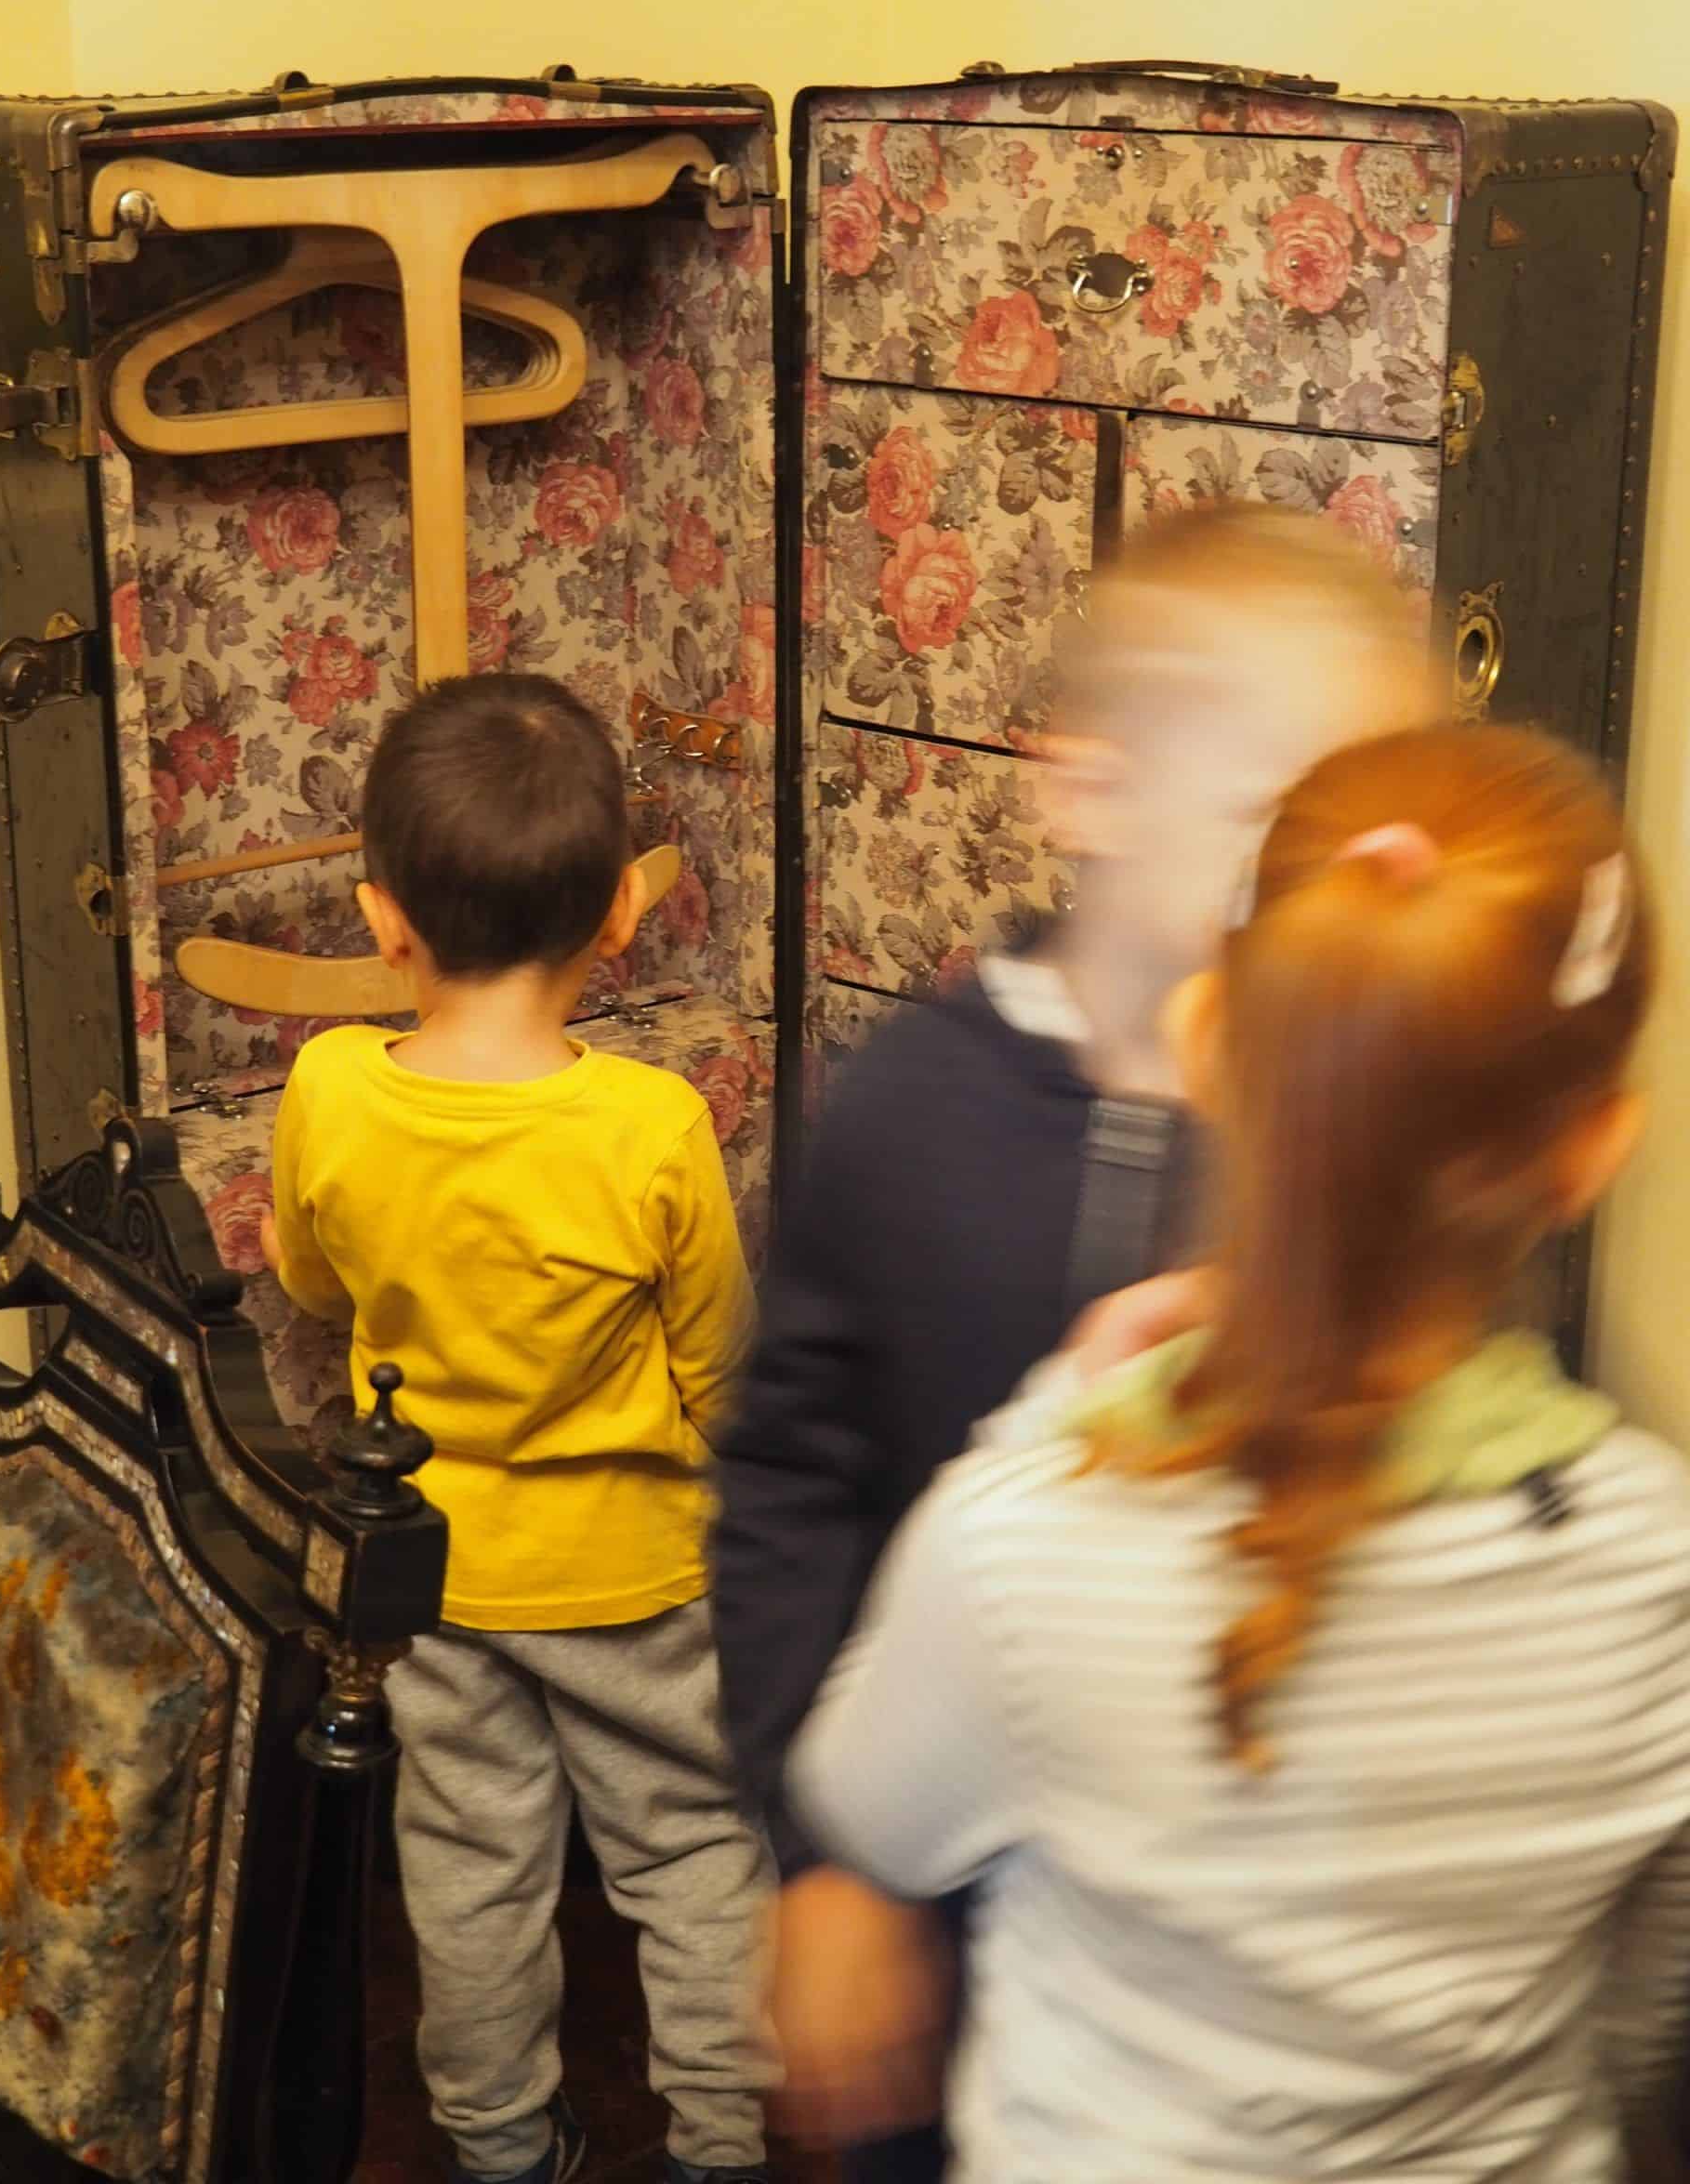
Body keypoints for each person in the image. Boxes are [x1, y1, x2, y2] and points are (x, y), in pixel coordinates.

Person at [791, 722, 1690, 2182]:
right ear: (1596, 1148)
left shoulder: (1025, 1539)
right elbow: (1639, 2023)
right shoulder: (1662, 1569)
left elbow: (871, 1808)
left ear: (1209, 1048)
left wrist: (1049, 1415)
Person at [712, 504, 1440, 2166]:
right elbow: (792, 1493)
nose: (1336, 884)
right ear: (1089, 791)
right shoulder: (903, 1115)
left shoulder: (1354, 1134)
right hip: (943, 1922)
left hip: (1238, 1948)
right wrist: (822, 1861)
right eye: (1279, 820)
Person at [261, 672, 774, 2184]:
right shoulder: (651, 1125)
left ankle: (497, 2147)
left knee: (471, 1867)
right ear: (622, 911)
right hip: (635, 1575)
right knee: (691, 1848)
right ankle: (721, 2145)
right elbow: (721, 1368)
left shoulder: (328, 1087)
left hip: (433, 1575)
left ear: (382, 919)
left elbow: (312, 1280)